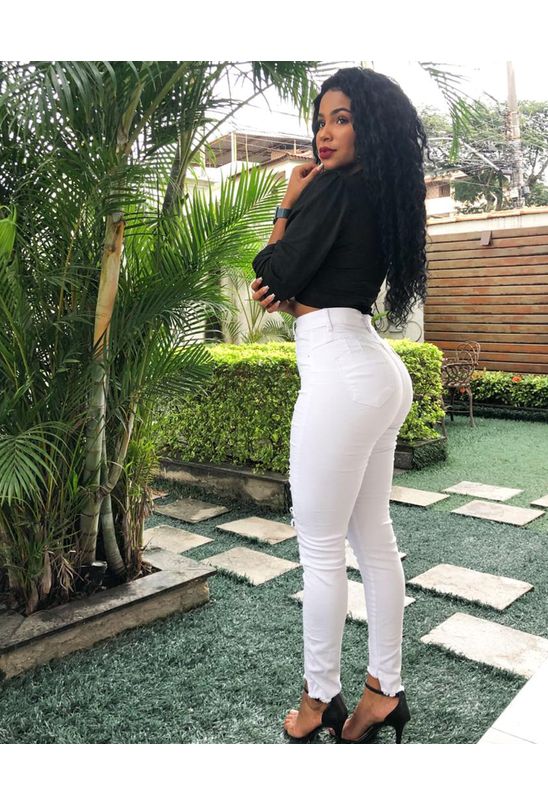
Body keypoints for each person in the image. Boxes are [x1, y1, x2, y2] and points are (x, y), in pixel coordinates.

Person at [250, 66, 428, 744]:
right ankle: (383, 690)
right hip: (374, 367)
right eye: (321, 121)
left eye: (342, 119)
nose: (325, 134)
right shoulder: (379, 191)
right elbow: (290, 284)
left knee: (322, 549)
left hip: (341, 371)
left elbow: (273, 273)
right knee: (373, 538)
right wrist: (285, 283)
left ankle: (318, 699)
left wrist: (286, 206)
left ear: (369, 126)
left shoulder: (330, 190)